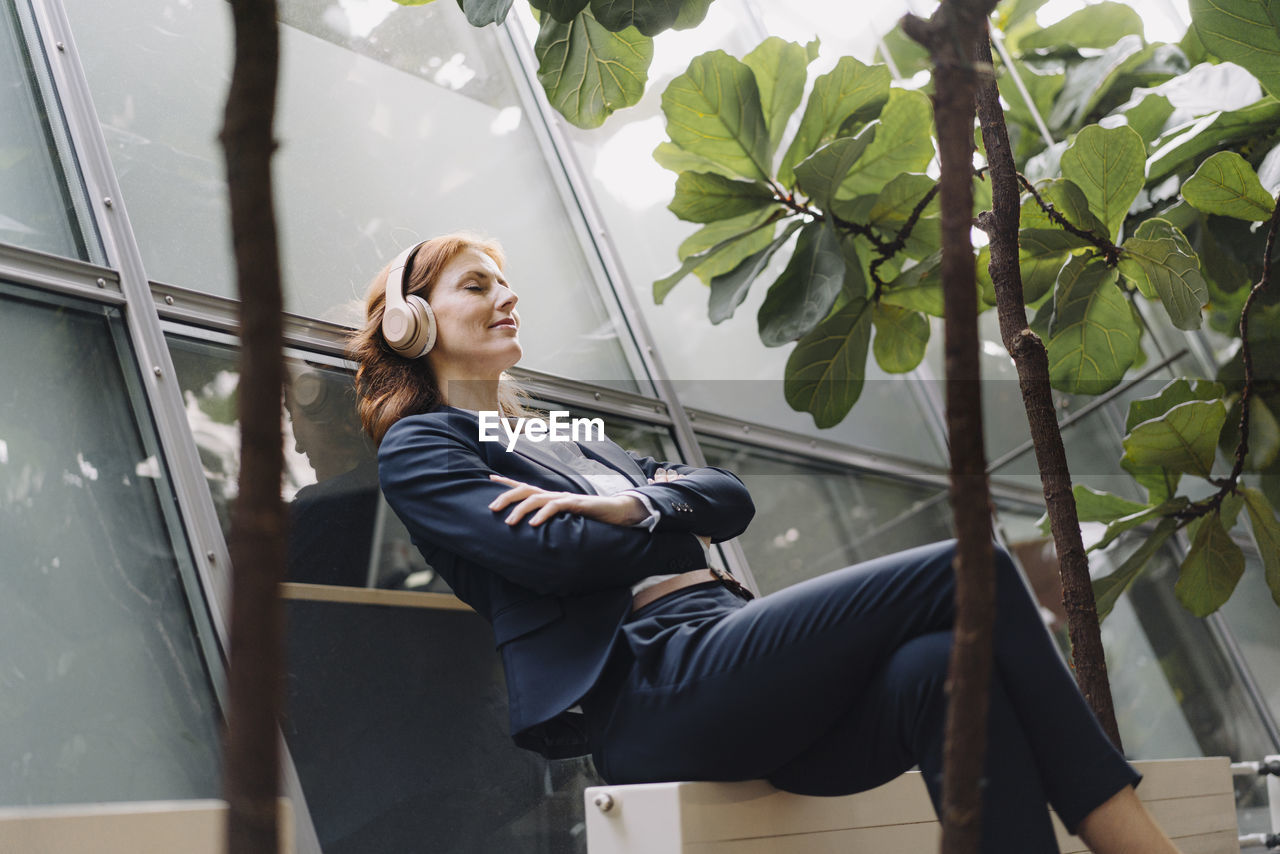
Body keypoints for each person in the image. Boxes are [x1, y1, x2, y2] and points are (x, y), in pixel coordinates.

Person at [348, 232, 1183, 854]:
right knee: (975, 566)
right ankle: (1130, 839)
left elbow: (727, 496)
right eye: (476, 285)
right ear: (413, 322)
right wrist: (653, 513)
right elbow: (555, 556)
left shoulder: (572, 439)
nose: (506, 297)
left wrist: (632, 510)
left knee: (944, 668)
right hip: (651, 690)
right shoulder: (423, 447)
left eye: (506, 283)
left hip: (731, 660)